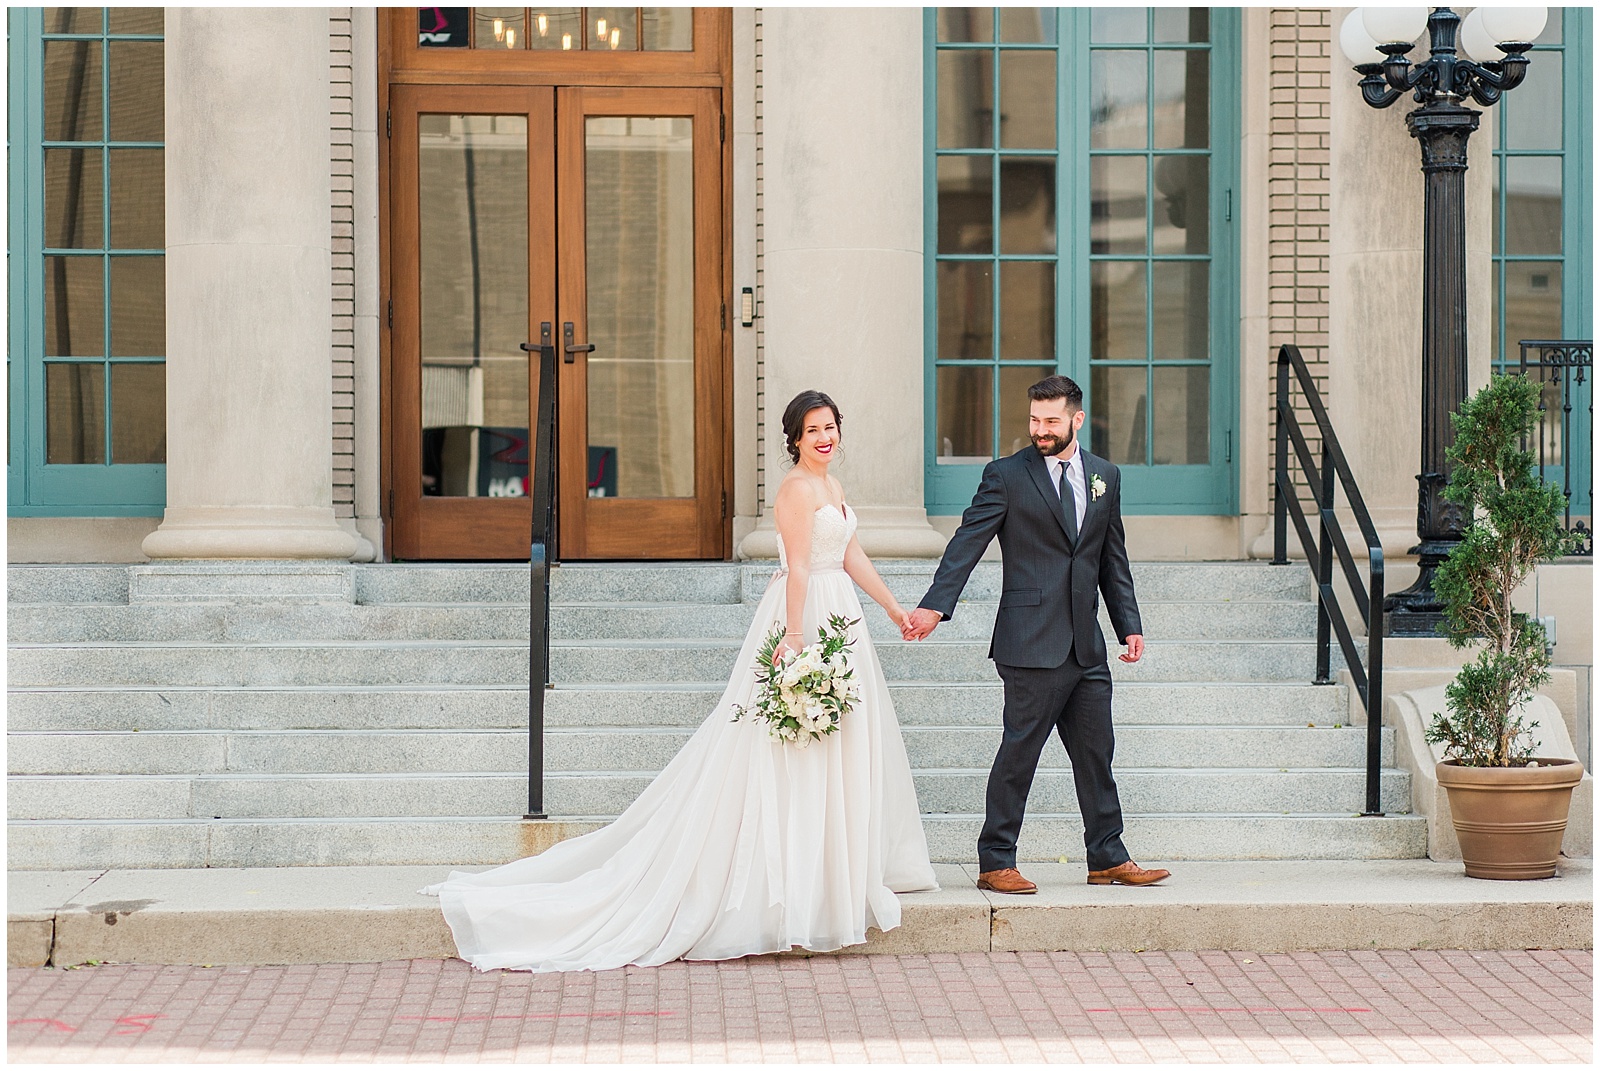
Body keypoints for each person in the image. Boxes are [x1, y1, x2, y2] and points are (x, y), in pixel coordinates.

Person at [422, 390, 937, 972]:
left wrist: (895, 610)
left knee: (835, 747)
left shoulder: (834, 489)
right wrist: (794, 643)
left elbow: (849, 555)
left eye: (831, 427)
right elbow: (797, 566)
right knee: (787, 750)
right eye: (812, 429)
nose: (824, 437)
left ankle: (827, 879)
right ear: (794, 438)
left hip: (842, 618)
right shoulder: (795, 491)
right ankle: (783, 888)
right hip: (806, 617)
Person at [903, 375, 1170, 892]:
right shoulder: (1005, 475)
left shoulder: (1105, 476)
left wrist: (1128, 625)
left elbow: (1111, 558)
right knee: (1019, 753)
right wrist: (936, 606)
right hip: (1029, 640)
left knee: (1097, 754)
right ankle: (995, 860)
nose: (1039, 430)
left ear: (1076, 419)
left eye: (1050, 420)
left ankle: (1107, 856)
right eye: (1033, 419)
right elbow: (968, 541)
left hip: (1086, 644)